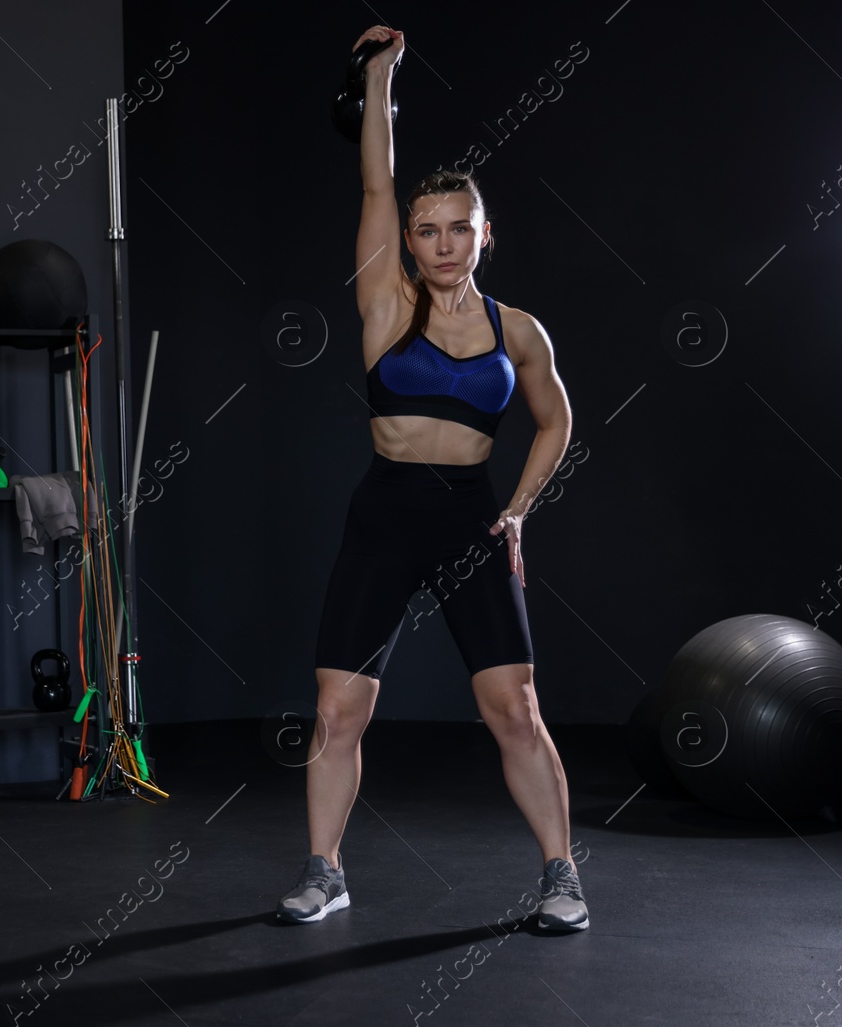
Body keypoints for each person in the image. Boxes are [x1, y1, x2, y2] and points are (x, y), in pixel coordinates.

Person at [276, 25, 586, 933]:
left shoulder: (518, 330)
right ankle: (324, 871)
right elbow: (375, 176)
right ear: (406, 239)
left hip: (469, 520)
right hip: (385, 514)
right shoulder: (385, 300)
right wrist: (380, 78)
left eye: (461, 228)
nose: (444, 243)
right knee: (337, 710)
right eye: (427, 229)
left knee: (515, 708)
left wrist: (520, 510)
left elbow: (556, 420)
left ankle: (562, 875)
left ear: (484, 234)